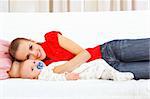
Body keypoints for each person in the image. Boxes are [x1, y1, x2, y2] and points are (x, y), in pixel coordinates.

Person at [9, 31, 150, 80]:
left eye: (31, 47)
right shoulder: (44, 71)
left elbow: (84, 54)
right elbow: (11, 70)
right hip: (110, 70)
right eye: (28, 57)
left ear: (31, 40)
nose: (35, 53)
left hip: (108, 51)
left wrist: (66, 67)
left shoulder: (52, 38)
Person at [9, 59, 134, 81]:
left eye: (34, 62)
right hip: (77, 73)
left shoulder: (46, 68)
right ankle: (117, 75)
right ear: (32, 77)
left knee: (100, 68)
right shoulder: (43, 75)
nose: (36, 65)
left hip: (79, 68)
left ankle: (114, 75)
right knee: (99, 64)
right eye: (32, 69)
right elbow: (54, 78)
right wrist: (65, 77)